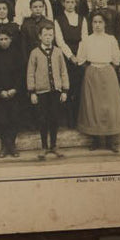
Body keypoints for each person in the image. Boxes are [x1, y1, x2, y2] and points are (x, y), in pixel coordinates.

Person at [73, 12, 120, 152]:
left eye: (100, 22)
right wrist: (90, 69)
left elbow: (116, 59)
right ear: (91, 24)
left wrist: (108, 69)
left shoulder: (111, 39)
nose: (97, 25)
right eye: (95, 22)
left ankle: (111, 141)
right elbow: (80, 59)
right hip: (92, 73)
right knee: (93, 106)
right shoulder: (86, 40)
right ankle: (96, 140)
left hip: (108, 72)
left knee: (109, 106)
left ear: (105, 24)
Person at [26, 24, 69, 160]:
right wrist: (32, 91)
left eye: (50, 35)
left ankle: (54, 145)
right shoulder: (35, 53)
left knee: (54, 118)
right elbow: (30, 73)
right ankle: (44, 146)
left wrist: (64, 90)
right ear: (40, 36)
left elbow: (63, 72)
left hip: (55, 91)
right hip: (41, 92)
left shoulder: (58, 52)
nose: (48, 37)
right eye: (45, 35)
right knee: (42, 118)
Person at [0, 29, 25, 158]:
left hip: (14, 93)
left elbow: (21, 74)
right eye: (1, 39)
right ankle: (4, 145)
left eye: (6, 39)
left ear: (11, 40)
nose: (3, 41)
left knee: (14, 118)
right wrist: (0, 90)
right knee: (1, 120)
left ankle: (12, 145)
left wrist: (15, 89)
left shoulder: (18, 54)